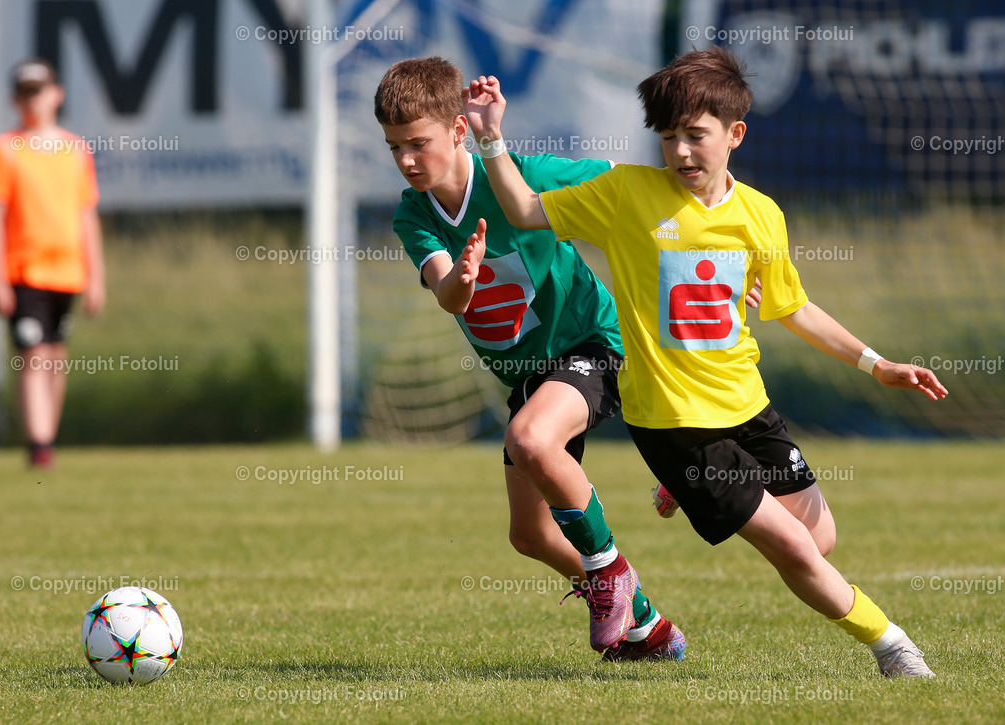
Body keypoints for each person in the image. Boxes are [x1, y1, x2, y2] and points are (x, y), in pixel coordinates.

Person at [466, 46, 948, 678]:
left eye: (696, 136)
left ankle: (681, 490)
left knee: (820, 539)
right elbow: (526, 210)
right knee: (796, 550)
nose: (681, 152)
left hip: (748, 407)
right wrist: (493, 140)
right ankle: (893, 648)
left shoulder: (760, 215)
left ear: (734, 135)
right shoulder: (628, 195)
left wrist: (876, 364)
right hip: (675, 426)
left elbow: (793, 309)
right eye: (668, 138)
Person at [374, 57, 694, 661]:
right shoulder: (413, 213)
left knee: (529, 439)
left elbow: (627, 188)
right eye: (395, 148)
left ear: (459, 130)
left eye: (419, 144)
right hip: (527, 376)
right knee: (530, 535)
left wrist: (707, 218)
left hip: (591, 345)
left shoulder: (525, 176)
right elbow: (448, 295)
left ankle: (610, 573)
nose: (408, 160)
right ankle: (644, 623)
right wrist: (463, 280)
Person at [0, 58, 105, 468]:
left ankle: (46, 434)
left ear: (57, 94)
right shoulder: (6, 150)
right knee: (32, 355)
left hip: (66, 271)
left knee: (53, 355)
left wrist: (96, 275)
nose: (33, 100)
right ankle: (40, 445)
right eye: (26, 93)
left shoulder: (75, 150)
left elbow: (86, 215)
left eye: (40, 91)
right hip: (24, 270)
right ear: (16, 100)